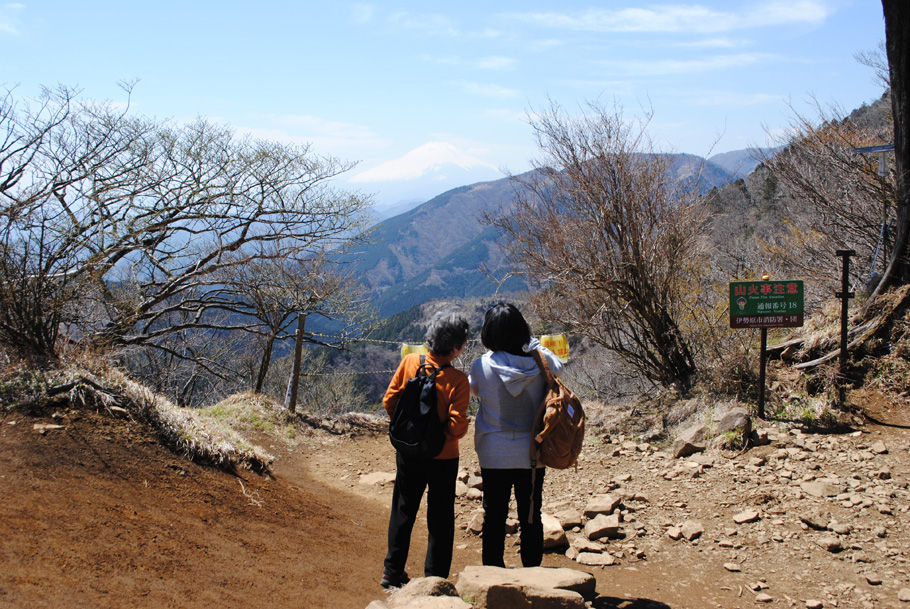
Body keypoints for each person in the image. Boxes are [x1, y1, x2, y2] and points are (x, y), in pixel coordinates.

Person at [468, 302, 563, 568]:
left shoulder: (481, 366)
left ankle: (492, 576)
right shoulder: (541, 364)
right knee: (531, 516)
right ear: (522, 330)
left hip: (493, 453)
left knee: (494, 516)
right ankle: (532, 574)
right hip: (532, 454)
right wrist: (534, 345)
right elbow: (558, 366)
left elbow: (474, 391)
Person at [381, 311, 471, 589]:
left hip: (408, 452)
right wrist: (444, 432)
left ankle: (392, 572)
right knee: (441, 517)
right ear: (455, 348)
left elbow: (389, 402)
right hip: (443, 457)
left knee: (403, 509)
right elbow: (456, 427)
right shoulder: (457, 380)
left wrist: (412, 431)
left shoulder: (410, 362)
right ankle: (435, 579)